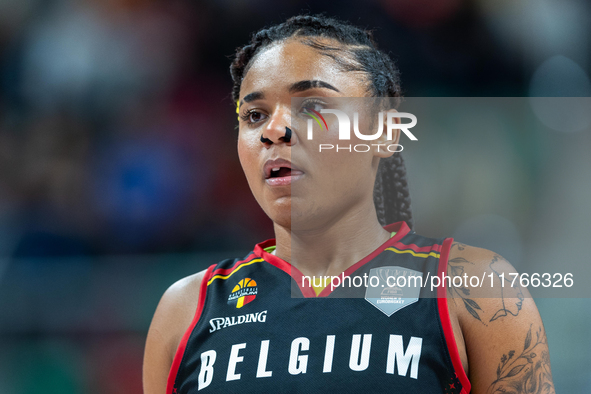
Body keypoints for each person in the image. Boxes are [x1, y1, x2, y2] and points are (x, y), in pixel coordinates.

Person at [143, 14, 555, 394]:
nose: (274, 130)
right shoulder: (186, 308)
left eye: (313, 106)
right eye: (253, 115)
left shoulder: (474, 288)